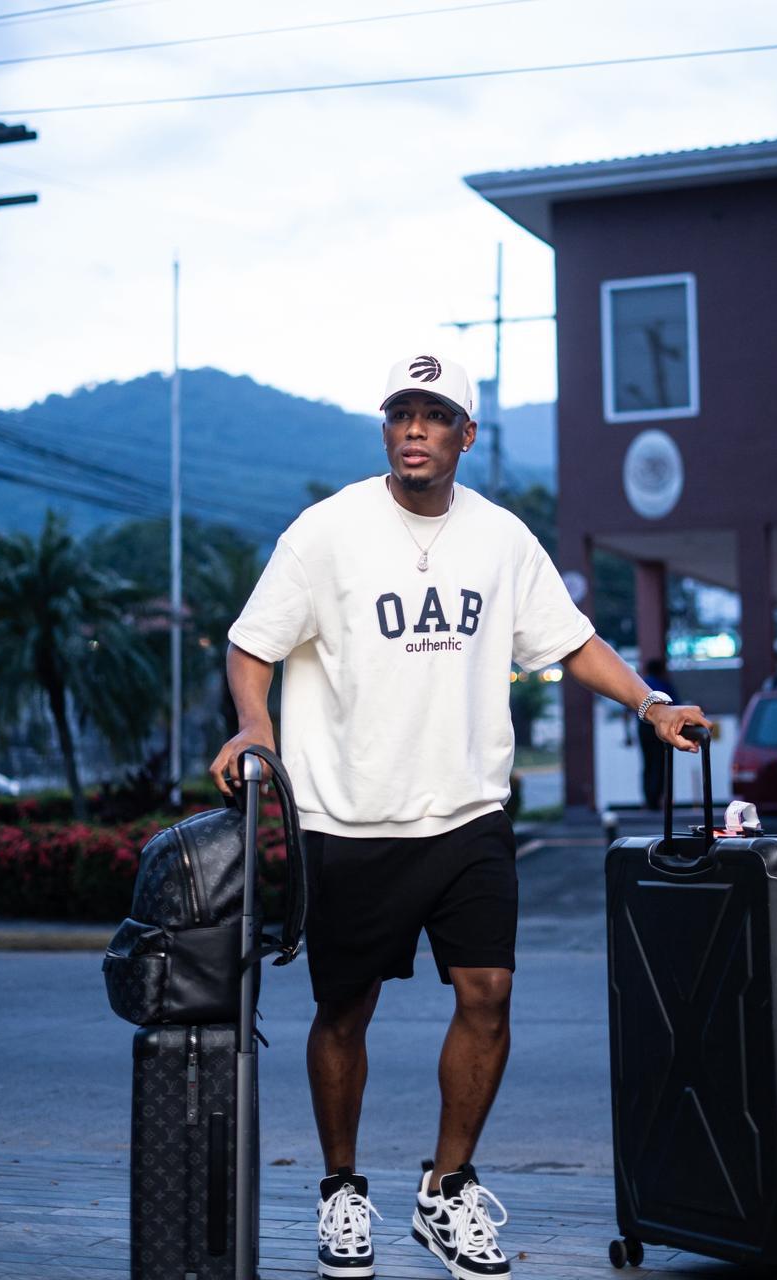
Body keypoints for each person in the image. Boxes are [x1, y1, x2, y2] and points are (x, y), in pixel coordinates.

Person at [210, 353, 710, 1280]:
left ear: (464, 436)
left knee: (488, 995)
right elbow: (251, 646)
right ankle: (341, 1193)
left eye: (433, 415)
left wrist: (649, 703)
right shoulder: (326, 533)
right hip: (350, 819)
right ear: (385, 428)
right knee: (343, 1013)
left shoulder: (504, 539)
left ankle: (447, 1191)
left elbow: (571, 642)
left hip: (471, 813)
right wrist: (253, 725)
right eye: (400, 412)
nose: (413, 429)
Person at [637, 657, 679, 810]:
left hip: (643, 727)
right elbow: (676, 706)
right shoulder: (664, 685)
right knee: (661, 763)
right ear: (661, 671)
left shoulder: (641, 684)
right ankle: (660, 799)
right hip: (660, 727)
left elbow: (628, 709)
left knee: (647, 763)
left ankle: (649, 800)